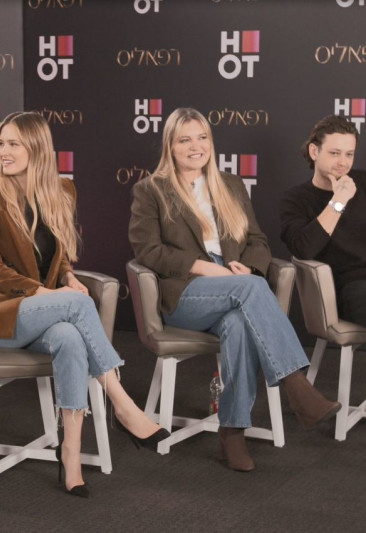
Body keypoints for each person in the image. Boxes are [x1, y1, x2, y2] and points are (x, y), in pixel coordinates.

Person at [0, 111, 169, 498]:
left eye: (13, 144)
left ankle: (71, 452)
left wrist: (66, 278)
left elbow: (53, 257)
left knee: (71, 339)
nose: (3, 151)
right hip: (3, 315)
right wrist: (46, 294)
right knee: (76, 306)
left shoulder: (62, 190)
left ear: (37, 148)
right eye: (1, 143)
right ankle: (123, 405)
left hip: (45, 316)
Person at [129, 107, 341, 472]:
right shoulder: (151, 190)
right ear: (170, 146)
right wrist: (206, 268)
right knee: (251, 290)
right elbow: (148, 251)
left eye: (202, 138)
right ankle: (297, 388)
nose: (195, 146)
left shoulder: (230, 185)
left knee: (239, 324)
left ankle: (232, 431)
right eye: (185, 140)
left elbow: (257, 240)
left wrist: (250, 268)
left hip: (234, 285)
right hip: (185, 294)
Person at [280, 115, 366, 326]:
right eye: (334, 153)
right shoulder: (296, 199)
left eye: (349, 154)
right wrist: (338, 201)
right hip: (346, 289)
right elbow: (304, 249)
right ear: (314, 151)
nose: (343, 162)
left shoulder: (363, 182)